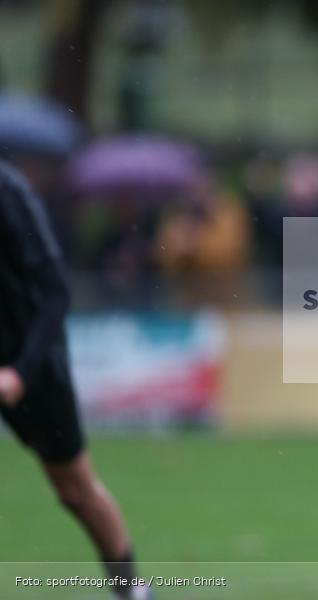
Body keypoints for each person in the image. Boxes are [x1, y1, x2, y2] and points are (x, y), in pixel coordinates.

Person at [0, 160, 149, 600]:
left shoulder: (9, 193)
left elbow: (55, 292)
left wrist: (19, 372)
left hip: (30, 362)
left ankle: (131, 590)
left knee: (75, 491)